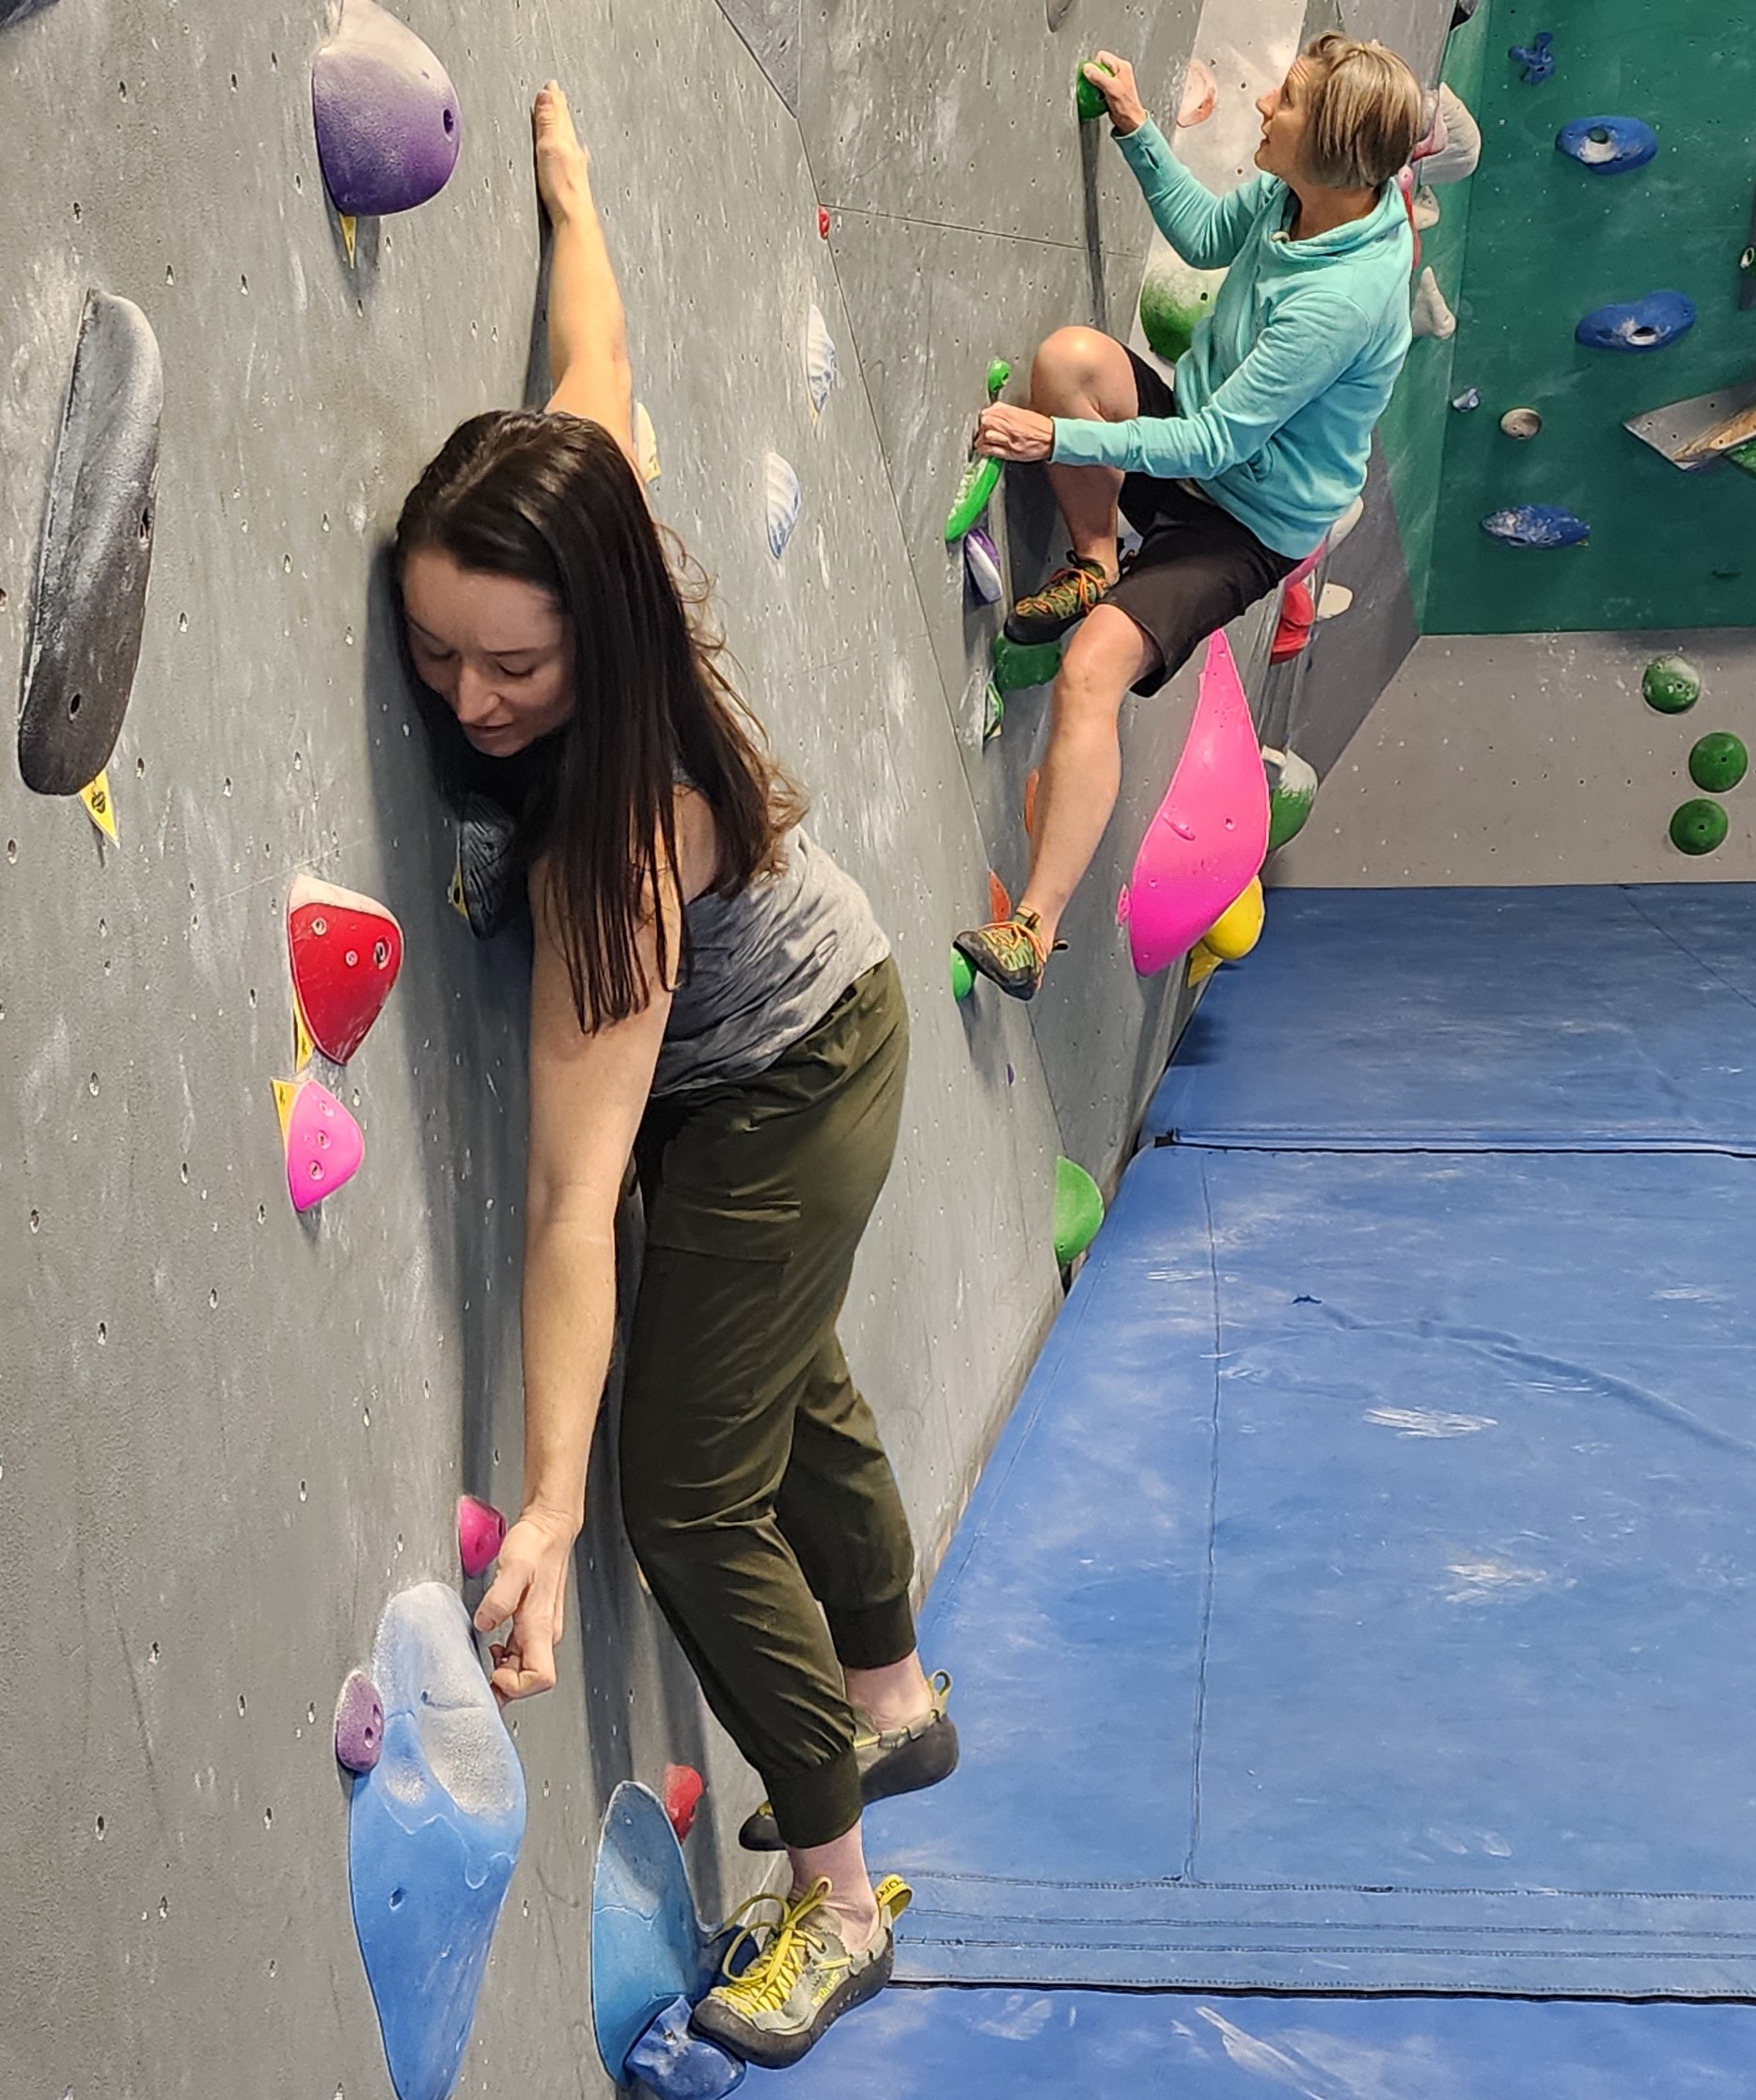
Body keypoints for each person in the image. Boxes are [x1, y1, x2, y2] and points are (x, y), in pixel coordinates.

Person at [392, 84, 957, 2070]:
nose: (468, 697)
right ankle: (891, 1687)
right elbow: (596, 362)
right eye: (438, 647)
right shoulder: (587, 510)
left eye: (511, 675)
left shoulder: (609, 861)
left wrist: (550, 1506)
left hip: (789, 1063)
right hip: (812, 1011)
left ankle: (834, 1894)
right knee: (781, 1373)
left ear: (598, 643)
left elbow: (566, 1198)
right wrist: (568, 191)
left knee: (688, 1492)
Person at [954, 36, 1423, 999]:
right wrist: (1133, 126)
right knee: (1072, 358)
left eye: (1283, 103)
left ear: (1329, 152)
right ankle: (1092, 559)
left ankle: (1033, 931)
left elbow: (1214, 447)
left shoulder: (1338, 301)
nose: (1261, 106)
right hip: (1204, 447)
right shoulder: (1307, 196)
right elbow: (1209, 237)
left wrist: (1054, 442)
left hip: (1244, 522)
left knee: (1091, 670)